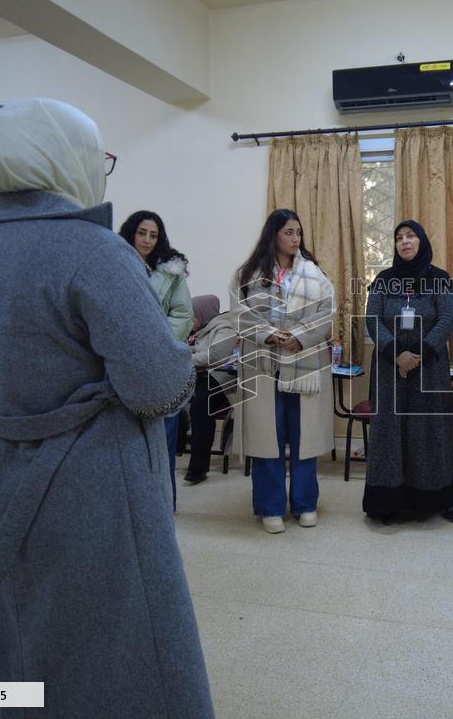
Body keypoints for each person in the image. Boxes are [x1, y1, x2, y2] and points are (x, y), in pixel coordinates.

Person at [0, 98, 214, 719]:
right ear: (61, 160)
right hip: (92, 486)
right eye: (100, 158)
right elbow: (156, 386)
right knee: (125, 649)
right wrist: (179, 354)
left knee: (23, 639)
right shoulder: (93, 249)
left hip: (3, 483)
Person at [230, 209, 334, 534]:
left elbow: (327, 311)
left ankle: (305, 503)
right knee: (267, 436)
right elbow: (237, 312)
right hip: (263, 362)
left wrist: (299, 336)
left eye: (298, 233)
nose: (295, 239)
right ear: (273, 234)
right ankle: (270, 506)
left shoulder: (314, 274)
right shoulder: (248, 274)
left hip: (302, 361)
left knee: (303, 436)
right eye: (289, 232)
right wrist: (268, 334)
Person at [363, 220, 453, 523]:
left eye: (411, 236)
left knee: (430, 433)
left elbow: (447, 319)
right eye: (399, 238)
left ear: (421, 242)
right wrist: (397, 354)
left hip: (429, 370)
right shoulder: (383, 280)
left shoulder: (439, 279)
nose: (404, 242)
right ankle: (388, 501)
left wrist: (418, 355)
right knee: (390, 435)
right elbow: (372, 319)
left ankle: (444, 499)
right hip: (389, 371)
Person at [118, 210, 192, 509]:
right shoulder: (114, 264)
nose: (147, 240)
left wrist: (157, 344)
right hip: (122, 360)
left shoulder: (171, 271)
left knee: (163, 439)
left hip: (160, 361)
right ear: (130, 233)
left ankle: (164, 506)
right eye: (142, 233)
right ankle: (130, 508)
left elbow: (183, 314)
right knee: (127, 442)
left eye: (153, 234)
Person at [184, 294, 235, 484]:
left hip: (220, 381)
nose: (190, 320)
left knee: (200, 405)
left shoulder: (224, 328)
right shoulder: (203, 331)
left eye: (193, 316)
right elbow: (198, 352)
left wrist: (184, 358)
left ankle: (198, 468)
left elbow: (215, 356)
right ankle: (178, 445)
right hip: (201, 377)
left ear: (204, 314)